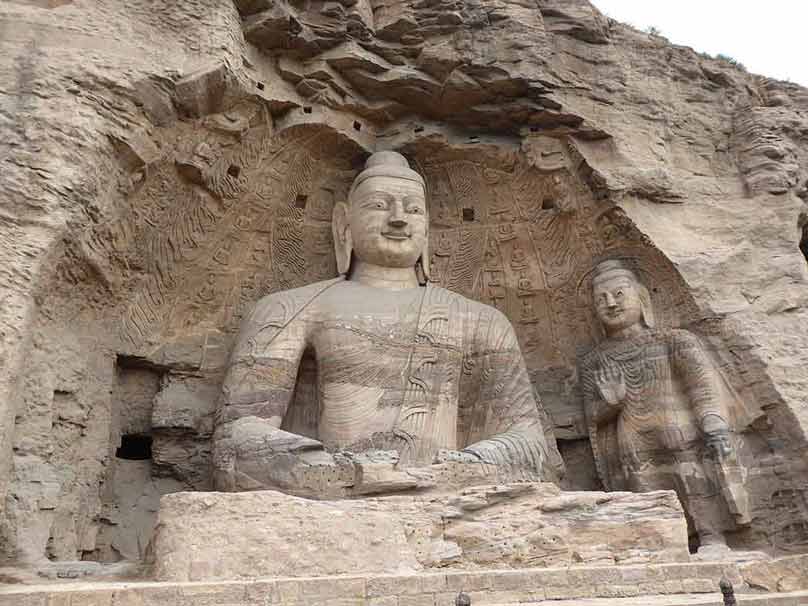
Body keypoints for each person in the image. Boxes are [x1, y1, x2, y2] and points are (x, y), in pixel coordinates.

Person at [213, 151, 557, 494]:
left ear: (428, 229)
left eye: (413, 209)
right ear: (343, 223)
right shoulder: (291, 308)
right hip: (334, 494)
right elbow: (236, 437)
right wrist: (340, 472)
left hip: (448, 493)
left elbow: (530, 444)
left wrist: (460, 468)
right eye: (379, 205)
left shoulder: (482, 320)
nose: (398, 219)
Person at [580, 259, 752, 555]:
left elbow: (702, 387)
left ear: (642, 297)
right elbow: (592, 418)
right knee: (645, 493)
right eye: (601, 300)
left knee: (695, 484)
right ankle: (662, 544)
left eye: (619, 294)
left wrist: (714, 423)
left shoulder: (674, 340)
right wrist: (611, 402)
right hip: (632, 443)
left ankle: (712, 538)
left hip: (680, 433)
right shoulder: (594, 361)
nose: (611, 304)